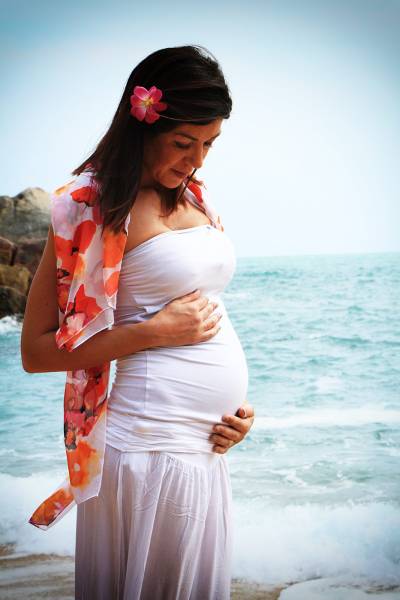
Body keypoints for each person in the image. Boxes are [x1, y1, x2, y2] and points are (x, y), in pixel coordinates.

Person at [21, 44, 255, 599]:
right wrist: (152, 334)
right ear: (143, 122)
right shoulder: (88, 208)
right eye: (183, 142)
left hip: (201, 453)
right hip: (144, 452)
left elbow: (200, 315)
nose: (197, 159)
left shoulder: (196, 198)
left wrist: (235, 416)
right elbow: (35, 351)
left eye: (209, 144)